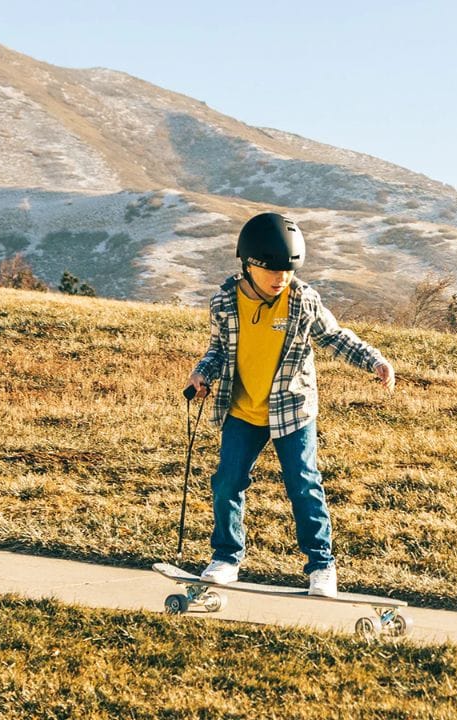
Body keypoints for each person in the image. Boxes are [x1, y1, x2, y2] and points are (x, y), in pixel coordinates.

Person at [187, 212, 395, 597]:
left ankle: (321, 566)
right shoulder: (224, 302)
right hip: (242, 410)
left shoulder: (302, 301)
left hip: (292, 409)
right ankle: (226, 558)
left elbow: (335, 337)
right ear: (248, 264)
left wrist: (375, 361)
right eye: (272, 271)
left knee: (303, 484)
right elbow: (217, 350)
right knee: (227, 483)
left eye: (287, 270)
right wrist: (202, 373)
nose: (281, 278)